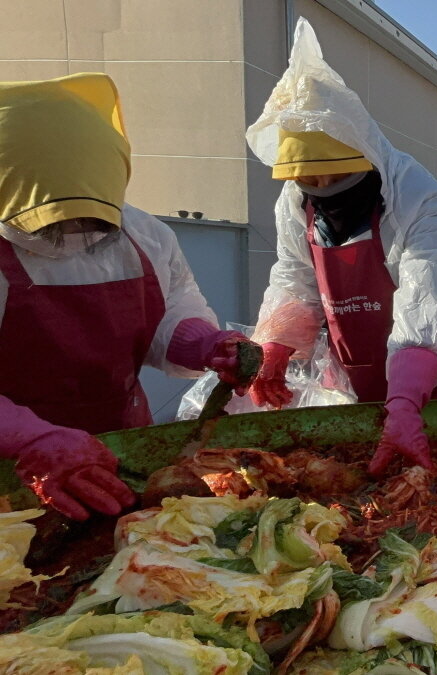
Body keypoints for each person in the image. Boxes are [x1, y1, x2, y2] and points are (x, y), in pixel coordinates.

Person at [0, 73, 257, 520]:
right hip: (15, 467)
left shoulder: (146, 235)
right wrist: (28, 439)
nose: (74, 236)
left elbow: (169, 309)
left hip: (124, 444)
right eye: (53, 222)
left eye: (90, 219)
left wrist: (203, 343)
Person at [243, 18, 437, 476]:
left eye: (338, 176)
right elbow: (295, 278)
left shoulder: (417, 196)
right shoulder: (294, 201)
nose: (324, 190)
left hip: (427, 376)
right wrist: (274, 344)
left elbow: (427, 296)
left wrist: (406, 399)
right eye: (312, 180)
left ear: (365, 156)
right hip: (349, 372)